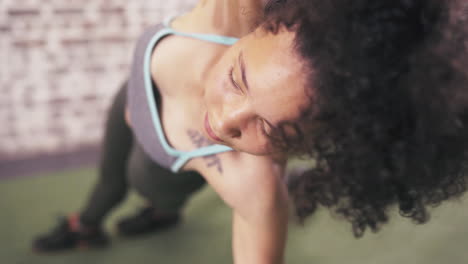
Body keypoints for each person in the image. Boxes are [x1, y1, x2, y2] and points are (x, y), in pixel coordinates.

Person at [33, 0, 468, 263]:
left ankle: (161, 211)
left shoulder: (253, 189)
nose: (222, 124)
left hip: (161, 161)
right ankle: (85, 227)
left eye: (273, 131)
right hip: (134, 90)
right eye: (238, 78)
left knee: (138, 181)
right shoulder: (232, 15)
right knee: (106, 183)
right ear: (266, 20)